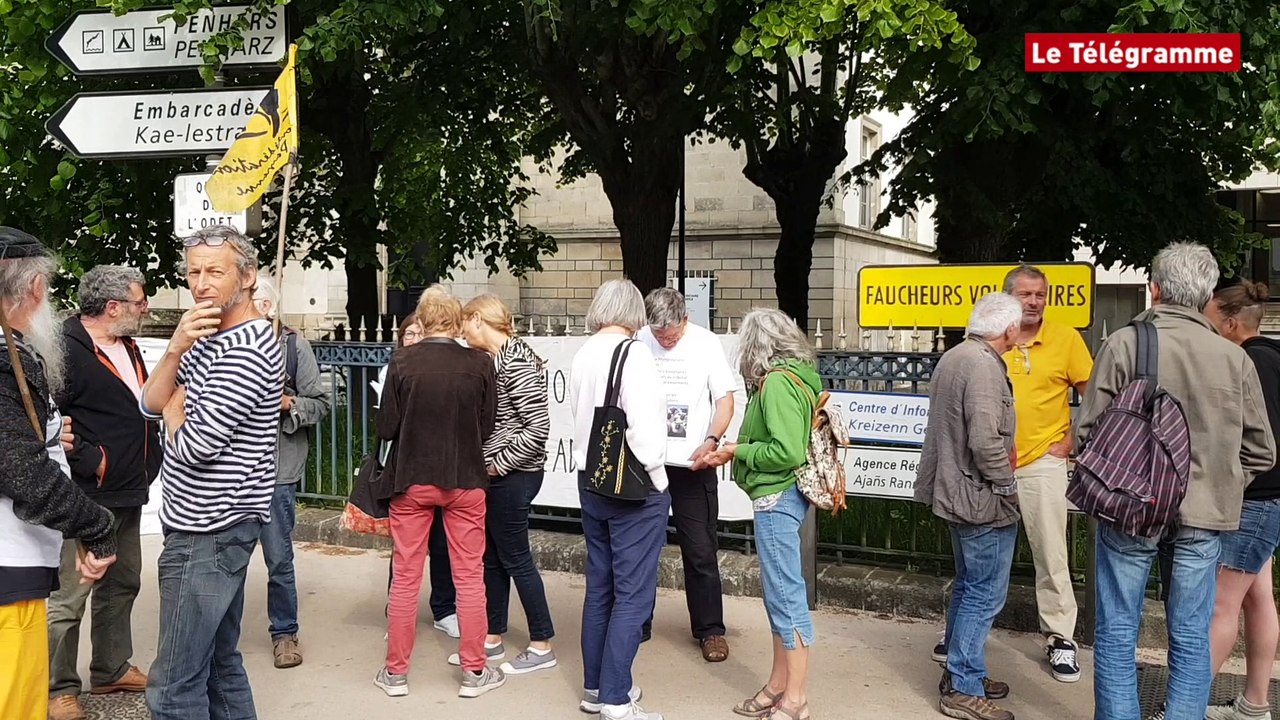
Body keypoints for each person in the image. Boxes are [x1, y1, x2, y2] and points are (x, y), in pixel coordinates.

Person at [1078, 242, 1276, 720]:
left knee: (1118, 630)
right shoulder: (1235, 358)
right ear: (1206, 292)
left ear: (1155, 288)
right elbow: (1261, 451)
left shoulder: (1125, 343)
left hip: (1130, 508)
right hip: (1204, 515)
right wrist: (1220, 481)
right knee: (1190, 634)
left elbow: (1088, 432)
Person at [140, 226, 285, 720]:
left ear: (247, 276)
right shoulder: (204, 334)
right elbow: (149, 402)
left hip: (209, 531)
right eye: (193, 271)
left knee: (173, 685)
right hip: (204, 525)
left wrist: (174, 414)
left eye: (214, 271)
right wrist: (177, 346)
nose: (200, 284)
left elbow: (196, 447)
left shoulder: (245, 349)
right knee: (220, 666)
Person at [0, 227, 117, 720]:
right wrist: (97, 526)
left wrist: (47, 435)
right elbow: (21, 473)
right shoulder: (4, 360)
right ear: (33, 290)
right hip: (9, 563)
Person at [373, 286, 503, 699]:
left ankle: (395, 674)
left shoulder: (402, 361)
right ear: (455, 319)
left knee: (406, 577)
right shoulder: (480, 363)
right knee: (469, 576)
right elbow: (487, 425)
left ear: (424, 320)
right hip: (466, 480)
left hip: (411, 480)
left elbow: (386, 428)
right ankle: (474, 672)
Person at [47, 265, 161, 720]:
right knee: (71, 594)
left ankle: (111, 667)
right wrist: (89, 459)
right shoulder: (62, 350)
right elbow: (47, 418)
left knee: (123, 581)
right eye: (139, 301)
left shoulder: (126, 344)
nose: (145, 307)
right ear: (113, 307)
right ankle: (59, 687)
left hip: (128, 488)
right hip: (84, 494)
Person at [702, 307, 821, 720]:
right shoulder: (794, 377)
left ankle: (796, 699)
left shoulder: (776, 385)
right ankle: (778, 684)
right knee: (778, 596)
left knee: (786, 597)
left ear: (756, 347)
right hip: (781, 496)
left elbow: (784, 452)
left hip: (777, 496)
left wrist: (738, 450)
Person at [914, 293, 1023, 720]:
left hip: (956, 491)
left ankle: (965, 674)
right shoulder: (982, 365)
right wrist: (1008, 484)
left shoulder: (957, 355)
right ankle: (963, 686)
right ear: (1009, 329)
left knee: (968, 586)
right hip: (980, 498)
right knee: (983, 593)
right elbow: (983, 440)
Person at [570, 279, 670, 720]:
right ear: (635, 313)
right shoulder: (636, 354)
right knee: (634, 595)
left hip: (589, 479)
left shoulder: (583, 352)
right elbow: (645, 431)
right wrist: (659, 479)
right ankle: (615, 697)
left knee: (600, 588)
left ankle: (597, 687)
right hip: (633, 487)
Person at [1001, 265, 1093, 682]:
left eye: (1040, 294)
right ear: (1008, 297)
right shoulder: (991, 335)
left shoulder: (1065, 339)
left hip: (1041, 460)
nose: (1034, 302)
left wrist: (1073, 438)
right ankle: (966, 631)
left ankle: (1060, 638)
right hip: (991, 461)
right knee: (979, 551)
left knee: (1051, 553)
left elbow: (1094, 394)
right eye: (1025, 294)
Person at [636, 288, 734, 662]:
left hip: (692, 465)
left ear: (685, 320)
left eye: (671, 335)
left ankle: (710, 630)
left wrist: (711, 439)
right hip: (648, 462)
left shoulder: (706, 344)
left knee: (700, 550)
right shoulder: (638, 341)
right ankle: (638, 621)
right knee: (641, 548)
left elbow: (725, 400)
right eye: (659, 335)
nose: (665, 340)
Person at [460, 294, 557, 674]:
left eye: (465, 322)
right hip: (505, 475)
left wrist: (496, 466)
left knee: (515, 558)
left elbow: (538, 428)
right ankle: (493, 636)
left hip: (515, 476)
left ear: (479, 319)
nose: (461, 331)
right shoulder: (501, 359)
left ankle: (541, 643)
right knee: (493, 559)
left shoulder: (515, 360)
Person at [1202, 281, 1280, 720]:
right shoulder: (1272, 355)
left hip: (1254, 500)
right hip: (1269, 500)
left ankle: (1186, 706)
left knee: (1220, 604)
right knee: (1257, 598)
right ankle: (1254, 705)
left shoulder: (1250, 363)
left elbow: (1261, 441)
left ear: (1231, 324)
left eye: (1211, 321)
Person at [251, 275, 331, 669]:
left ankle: (284, 632)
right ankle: (217, 635)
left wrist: (288, 404)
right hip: (230, 472)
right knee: (223, 560)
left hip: (277, 471)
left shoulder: (293, 347)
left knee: (278, 559)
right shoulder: (218, 344)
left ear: (267, 307)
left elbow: (319, 403)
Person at [373, 316, 459, 640]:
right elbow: (385, 426)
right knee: (405, 552)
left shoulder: (443, 372)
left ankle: (444, 609)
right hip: (405, 470)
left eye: (419, 333)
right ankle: (396, 615)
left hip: (440, 468)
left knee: (441, 545)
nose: (412, 338)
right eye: (407, 333)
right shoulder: (393, 369)